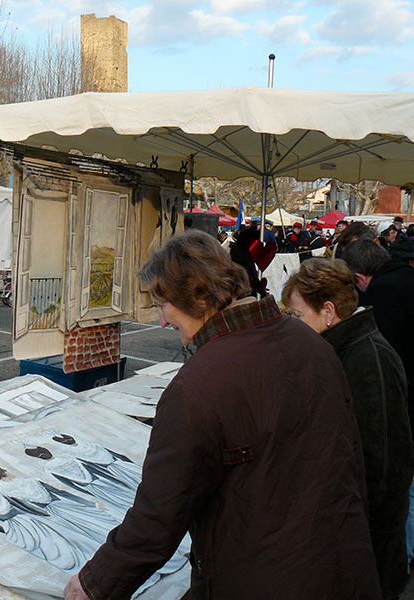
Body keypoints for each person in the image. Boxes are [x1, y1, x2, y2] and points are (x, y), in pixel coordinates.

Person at [63, 230, 379, 600]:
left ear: (197, 297)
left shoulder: (196, 389)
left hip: (266, 581)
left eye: (163, 305)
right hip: (345, 570)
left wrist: (95, 584)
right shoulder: (311, 342)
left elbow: (156, 520)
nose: (163, 321)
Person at [282, 258, 414, 599]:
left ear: (328, 311)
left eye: (297, 316)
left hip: (364, 551)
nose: (293, 325)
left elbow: (382, 470)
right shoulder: (339, 351)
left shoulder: (369, 360)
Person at [343, 239, 414, 570]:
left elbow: (383, 349)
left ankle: (409, 551)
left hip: (405, 391)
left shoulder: (383, 292)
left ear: (360, 277)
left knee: (406, 482)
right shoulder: (406, 276)